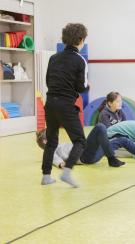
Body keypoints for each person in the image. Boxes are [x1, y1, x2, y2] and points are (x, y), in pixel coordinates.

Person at [41, 23, 90, 188]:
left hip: (50, 103)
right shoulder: (80, 60)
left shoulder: (53, 58)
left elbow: (48, 81)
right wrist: (87, 86)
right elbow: (80, 88)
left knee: (51, 141)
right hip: (66, 104)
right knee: (80, 141)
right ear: (81, 40)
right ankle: (67, 172)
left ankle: (46, 176)